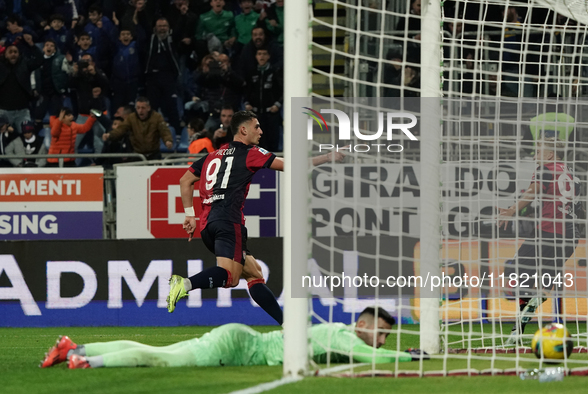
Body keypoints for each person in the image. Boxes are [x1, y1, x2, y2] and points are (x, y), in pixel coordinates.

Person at [169, 110, 284, 324]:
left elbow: (185, 181)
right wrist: (326, 157)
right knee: (230, 277)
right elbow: (289, 166)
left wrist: (189, 215)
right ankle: (185, 284)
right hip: (229, 221)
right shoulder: (250, 152)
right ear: (243, 130)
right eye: (256, 126)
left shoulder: (212, 155)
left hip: (208, 225)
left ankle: (287, 325)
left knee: (254, 273)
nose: (261, 130)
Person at [40, 307, 427, 369]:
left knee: (156, 351)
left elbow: (370, 353)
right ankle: (87, 361)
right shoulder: (344, 337)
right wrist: (412, 356)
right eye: (381, 331)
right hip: (240, 348)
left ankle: (75, 348)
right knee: (161, 359)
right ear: (362, 322)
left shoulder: (341, 334)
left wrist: (402, 350)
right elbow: (372, 359)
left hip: (242, 340)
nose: (382, 339)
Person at [498, 137, 581, 345]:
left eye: (538, 150)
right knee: (538, 283)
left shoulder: (545, 170)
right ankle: (519, 328)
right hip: (570, 236)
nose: (535, 154)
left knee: (514, 272)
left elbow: (532, 192)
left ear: (550, 154)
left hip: (548, 232)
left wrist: (511, 210)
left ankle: (525, 314)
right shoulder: (571, 172)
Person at [102, 97, 173, 160]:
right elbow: (121, 129)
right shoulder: (131, 118)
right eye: (138, 108)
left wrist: (168, 140)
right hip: (137, 155)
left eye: (143, 108)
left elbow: (164, 131)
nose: (140, 110)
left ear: (148, 108)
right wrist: (110, 135)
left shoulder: (157, 117)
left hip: (154, 154)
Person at [0, 34, 43, 134]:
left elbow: (39, 60)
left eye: (15, 52)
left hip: (22, 111)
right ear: (5, 55)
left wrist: (31, 44)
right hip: (3, 112)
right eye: (10, 52)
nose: (13, 54)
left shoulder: (25, 64)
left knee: (27, 137)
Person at [244, 48, 282, 152]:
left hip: (271, 113)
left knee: (273, 142)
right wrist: (246, 102)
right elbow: (246, 90)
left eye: (264, 54)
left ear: (269, 56)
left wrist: (278, 104)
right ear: (256, 56)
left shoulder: (275, 71)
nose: (262, 56)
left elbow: (283, 89)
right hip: (256, 114)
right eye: (259, 54)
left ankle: (274, 167)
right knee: (258, 143)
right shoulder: (252, 72)